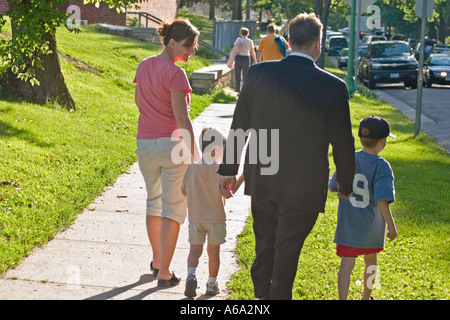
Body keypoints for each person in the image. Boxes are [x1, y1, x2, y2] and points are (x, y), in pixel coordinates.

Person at [218, 12, 355, 300]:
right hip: (304, 185)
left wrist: (229, 169)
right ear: (318, 43)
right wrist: (346, 181)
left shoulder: (258, 74)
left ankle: (263, 295)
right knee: (287, 249)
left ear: (289, 40)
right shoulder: (333, 87)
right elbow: (343, 141)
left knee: (265, 245)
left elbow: (239, 125)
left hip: (264, 178)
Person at [133, 18, 201, 288]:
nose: (191, 51)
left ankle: (157, 261)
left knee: (154, 202)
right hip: (172, 146)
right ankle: (164, 272)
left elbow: (140, 103)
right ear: (172, 43)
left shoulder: (144, 66)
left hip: (145, 144)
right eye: (188, 45)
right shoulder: (175, 74)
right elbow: (182, 120)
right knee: (172, 208)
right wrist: (194, 155)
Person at [329, 116, 398, 300]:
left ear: (360, 138)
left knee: (346, 264)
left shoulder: (349, 158)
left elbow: (332, 185)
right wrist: (391, 225)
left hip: (348, 225)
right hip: (370, 229)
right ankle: (366, 298)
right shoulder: (382, 166)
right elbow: (382, 200)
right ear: (382, 141)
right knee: (371, 263)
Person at [181, 128, 244, 297]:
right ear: (216, 150)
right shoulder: (221, 171)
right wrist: (242, 177)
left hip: (196, 218)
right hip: (215, 219)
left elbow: (184, 191)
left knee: (194, 251)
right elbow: (227, 194)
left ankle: (191, 275)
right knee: (213, 252)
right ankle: (211, 284)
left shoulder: (192, 168)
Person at [233, 27, 257, 94]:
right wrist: (255, 60)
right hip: (246, 58)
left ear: (241, 33)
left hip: (238, 58)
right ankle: (245, 90)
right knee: (245, 74)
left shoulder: (238, 40)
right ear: (248, 33)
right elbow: (252, 51)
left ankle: (238, 91)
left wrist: (232, 58)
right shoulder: (250, 41)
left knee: (237, 74)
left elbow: (235, 49)